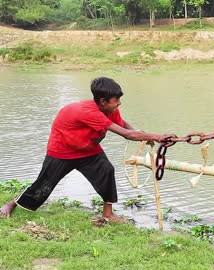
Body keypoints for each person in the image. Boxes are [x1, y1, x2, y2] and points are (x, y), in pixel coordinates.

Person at [0, 77, 172, 223]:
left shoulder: (109, 110)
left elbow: (125, 126)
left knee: (106, 171)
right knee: (44, 183)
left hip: (89, 150)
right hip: (63, 151)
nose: (119, 103)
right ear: (103, 101)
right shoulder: (87, 112)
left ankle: (108, 214)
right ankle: (11, 203)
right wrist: (157, 136)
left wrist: (145, 135)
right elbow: (127, 135)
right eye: (116, 100)